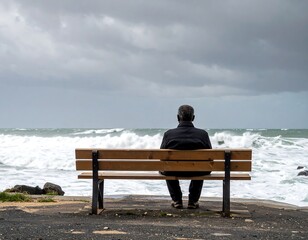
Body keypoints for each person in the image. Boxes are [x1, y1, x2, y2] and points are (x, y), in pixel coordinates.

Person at [160, 105, 212, 209]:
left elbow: (162, 157)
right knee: (202, 167)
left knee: (166, 167)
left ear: (178, 118)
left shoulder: (169, 134)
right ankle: (192, 201)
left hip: (173, 170)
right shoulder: (203, 134)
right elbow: (209, 157)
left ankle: (177, 200)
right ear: (193, 118)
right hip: (197, 170)